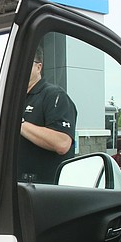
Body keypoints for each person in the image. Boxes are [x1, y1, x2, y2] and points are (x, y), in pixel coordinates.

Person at [18, 48, 76, 183]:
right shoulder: (12, 100)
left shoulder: (54, 95)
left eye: (26, 63)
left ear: (39, 67)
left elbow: (62, 143)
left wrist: (19, 124)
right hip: (14, 187)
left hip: (45, 190)